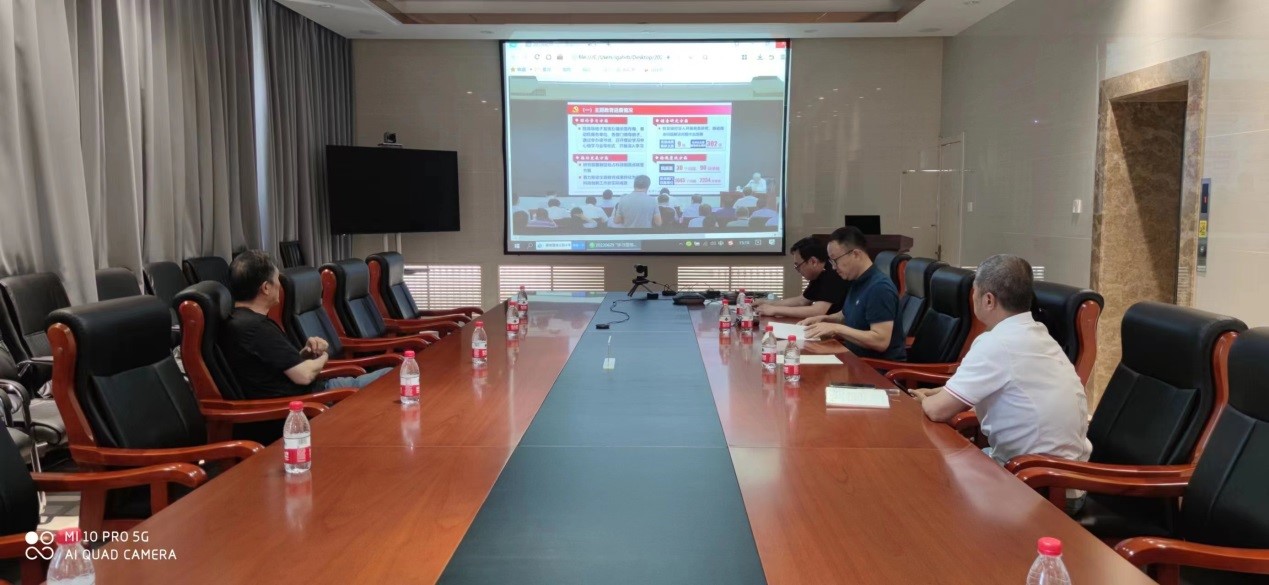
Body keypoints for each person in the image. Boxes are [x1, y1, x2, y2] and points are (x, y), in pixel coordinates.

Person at [912, 255, 1092, 510]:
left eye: (974, 292)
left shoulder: (996, 343)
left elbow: (937, 411)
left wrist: (925, 399)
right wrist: (943, 392)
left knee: (933, 489)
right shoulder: (1037, 333)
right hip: (1064, 479)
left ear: (988, 300)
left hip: (1039, 487)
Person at [220, 250, 391, 399]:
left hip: (315, 394)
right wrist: (324, 356)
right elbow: (304, 375)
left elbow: (278, 367)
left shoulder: (241, 321)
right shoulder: (257, 328)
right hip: (317, 399)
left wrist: (306, 354)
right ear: (266, 288)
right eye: (277, 279)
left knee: (392, 375)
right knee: (393, 377)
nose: (280, 284)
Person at [799, 226, 905, 360]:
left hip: (874, 367)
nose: (833, 267)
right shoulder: (857, 279)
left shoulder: (880, 288)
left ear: (855, 254)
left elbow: (880, 341)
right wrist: (823, 319)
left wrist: (836, 328)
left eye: (835, 260)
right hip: (853, 357)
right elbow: (845, 315)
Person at [756, 237, 849, 319]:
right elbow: (802, 301)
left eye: (798, 265)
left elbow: (818, 311)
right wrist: (767, 303)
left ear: (813, 262)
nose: (797, 270)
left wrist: (775, 310)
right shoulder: (819, 273)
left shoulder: (833, 273)